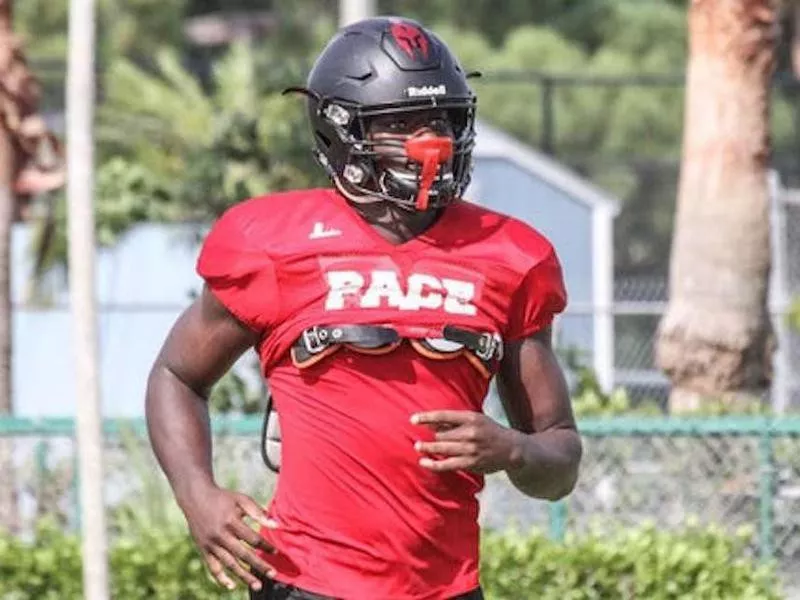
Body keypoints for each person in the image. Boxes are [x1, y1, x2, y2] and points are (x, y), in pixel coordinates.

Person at [145, 15, 583, 600]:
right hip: (303, 582)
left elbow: (560, 458)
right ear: (340, 130)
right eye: (400, 124)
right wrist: (196, 494)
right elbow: (176, 376)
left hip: (445, 589)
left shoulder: (510, 256)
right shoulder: (272, 243)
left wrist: (513, 449)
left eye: (441, 121)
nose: (429, 143)